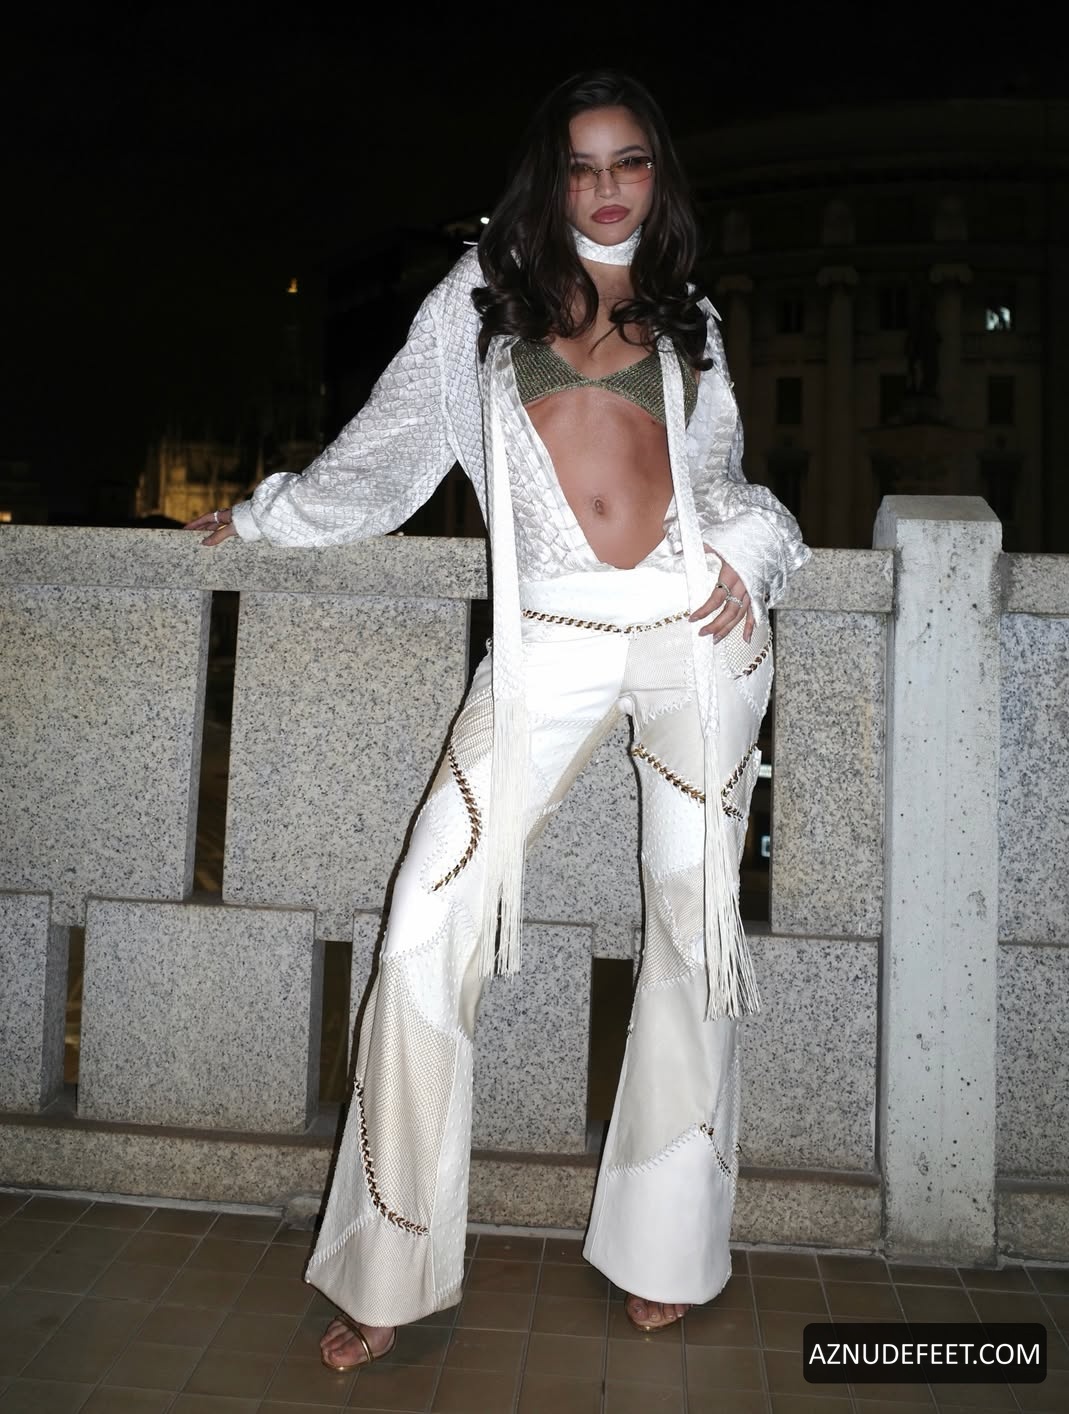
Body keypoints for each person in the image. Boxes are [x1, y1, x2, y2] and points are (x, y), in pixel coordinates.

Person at [185, 68, 811, 1372]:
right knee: (427, 918)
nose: (607, 188)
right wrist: (264, 513)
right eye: (583, 165)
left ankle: (668, 1249)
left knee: (695, 929)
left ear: (657, 175)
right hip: (550, 644)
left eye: (629, 162)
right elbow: (390, 450)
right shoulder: (482, 296)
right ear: (551, 176)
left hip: (696, 641)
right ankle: (389, 1261)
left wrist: (749, 555)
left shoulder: (686, 313)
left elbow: (723, 479)